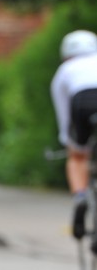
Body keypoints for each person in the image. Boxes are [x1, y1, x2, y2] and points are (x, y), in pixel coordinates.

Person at [51, 29, 97, 239]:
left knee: (78, 156)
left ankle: (80, 197)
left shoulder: (65, 70)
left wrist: (68, 141)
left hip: (82, 102)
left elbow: (64, 114)